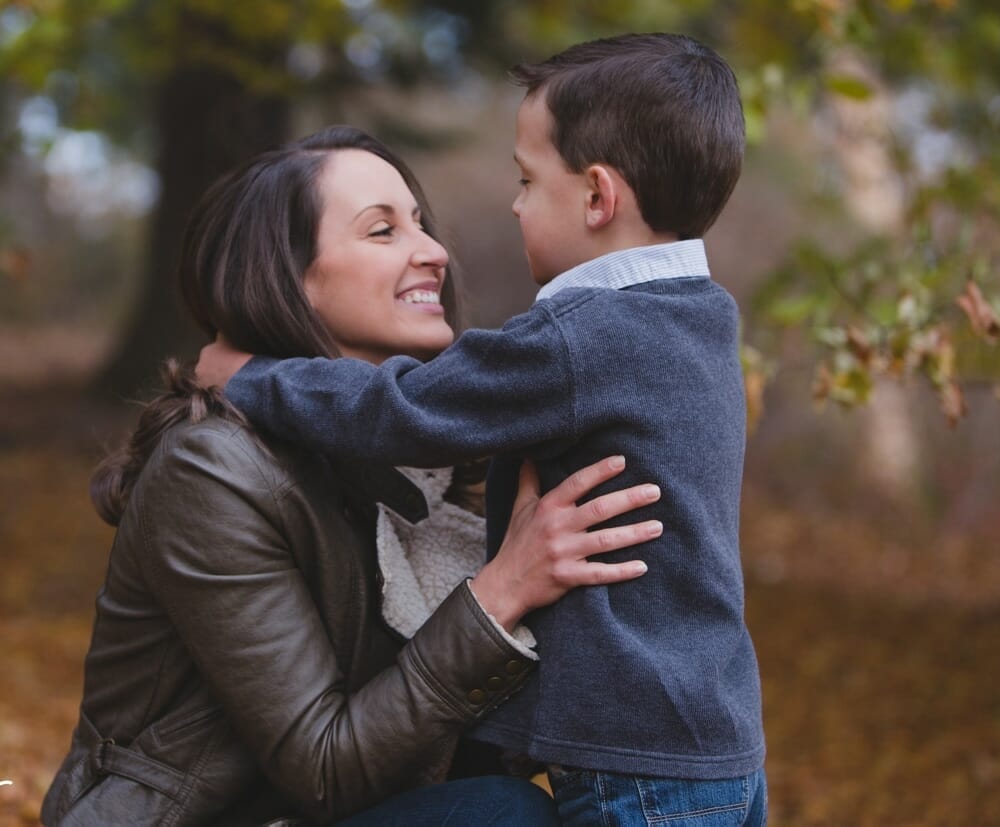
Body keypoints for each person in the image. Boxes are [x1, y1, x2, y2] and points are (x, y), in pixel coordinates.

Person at [195, 33, 767, 826]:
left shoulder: (582, 335)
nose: (514, 204)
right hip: (717, 743)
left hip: (633, 766)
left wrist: (254, 377)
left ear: (598, 197)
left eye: (528, 180)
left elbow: (408, 411)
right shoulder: (702, 319)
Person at [41, 126, 665, 827]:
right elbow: (325, 768)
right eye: (381, 231)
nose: (433, 254)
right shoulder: (212, 469)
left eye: (422, 226)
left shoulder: (423, 466)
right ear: (287, 277)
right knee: (500, 817)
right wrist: (500, 593)